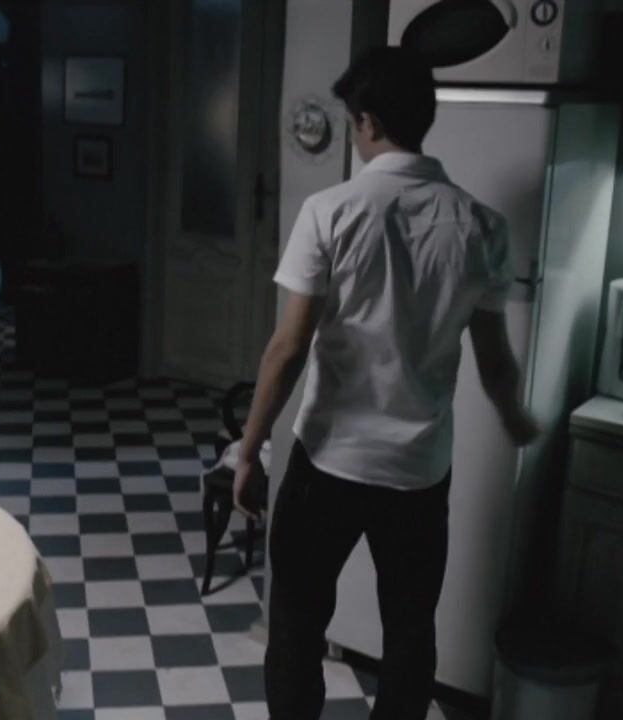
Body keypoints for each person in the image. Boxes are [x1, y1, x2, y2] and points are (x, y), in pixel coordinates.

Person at [232, 47, 539, 720]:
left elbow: (288, 348)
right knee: (409, 634)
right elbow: (493, 357)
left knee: (297, 626)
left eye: (351, 120)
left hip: (328, 462)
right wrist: (515, 416)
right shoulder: (482, 226)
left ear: (366, 121)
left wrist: (248, 450)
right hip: (418, 471)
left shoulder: (330, 211)